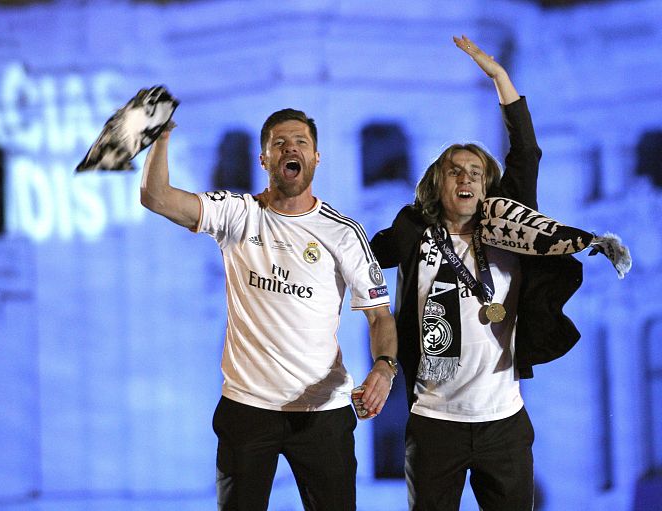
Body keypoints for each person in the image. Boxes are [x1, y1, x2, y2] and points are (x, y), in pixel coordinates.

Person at [141, 108, 398, 510]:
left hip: (322, 412)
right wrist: (161, 138)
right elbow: (156, 197)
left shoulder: (343, 233)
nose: (289, 149)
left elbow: (380, 314)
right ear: (264, 159)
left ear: (315, 157)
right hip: (246, 409)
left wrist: (384, 366)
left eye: (301, 143)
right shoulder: (237, 214)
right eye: (279, 144)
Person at [370, 35, 585, 510]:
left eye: (475, 171)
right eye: (454, 171)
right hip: (433, 423)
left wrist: (501, 80)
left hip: (503, 423)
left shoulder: (507, 231)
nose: (465, 178)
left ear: (488, 187)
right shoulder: (414, 232)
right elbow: (362, 254)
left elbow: (526, 155)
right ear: (437, 183)